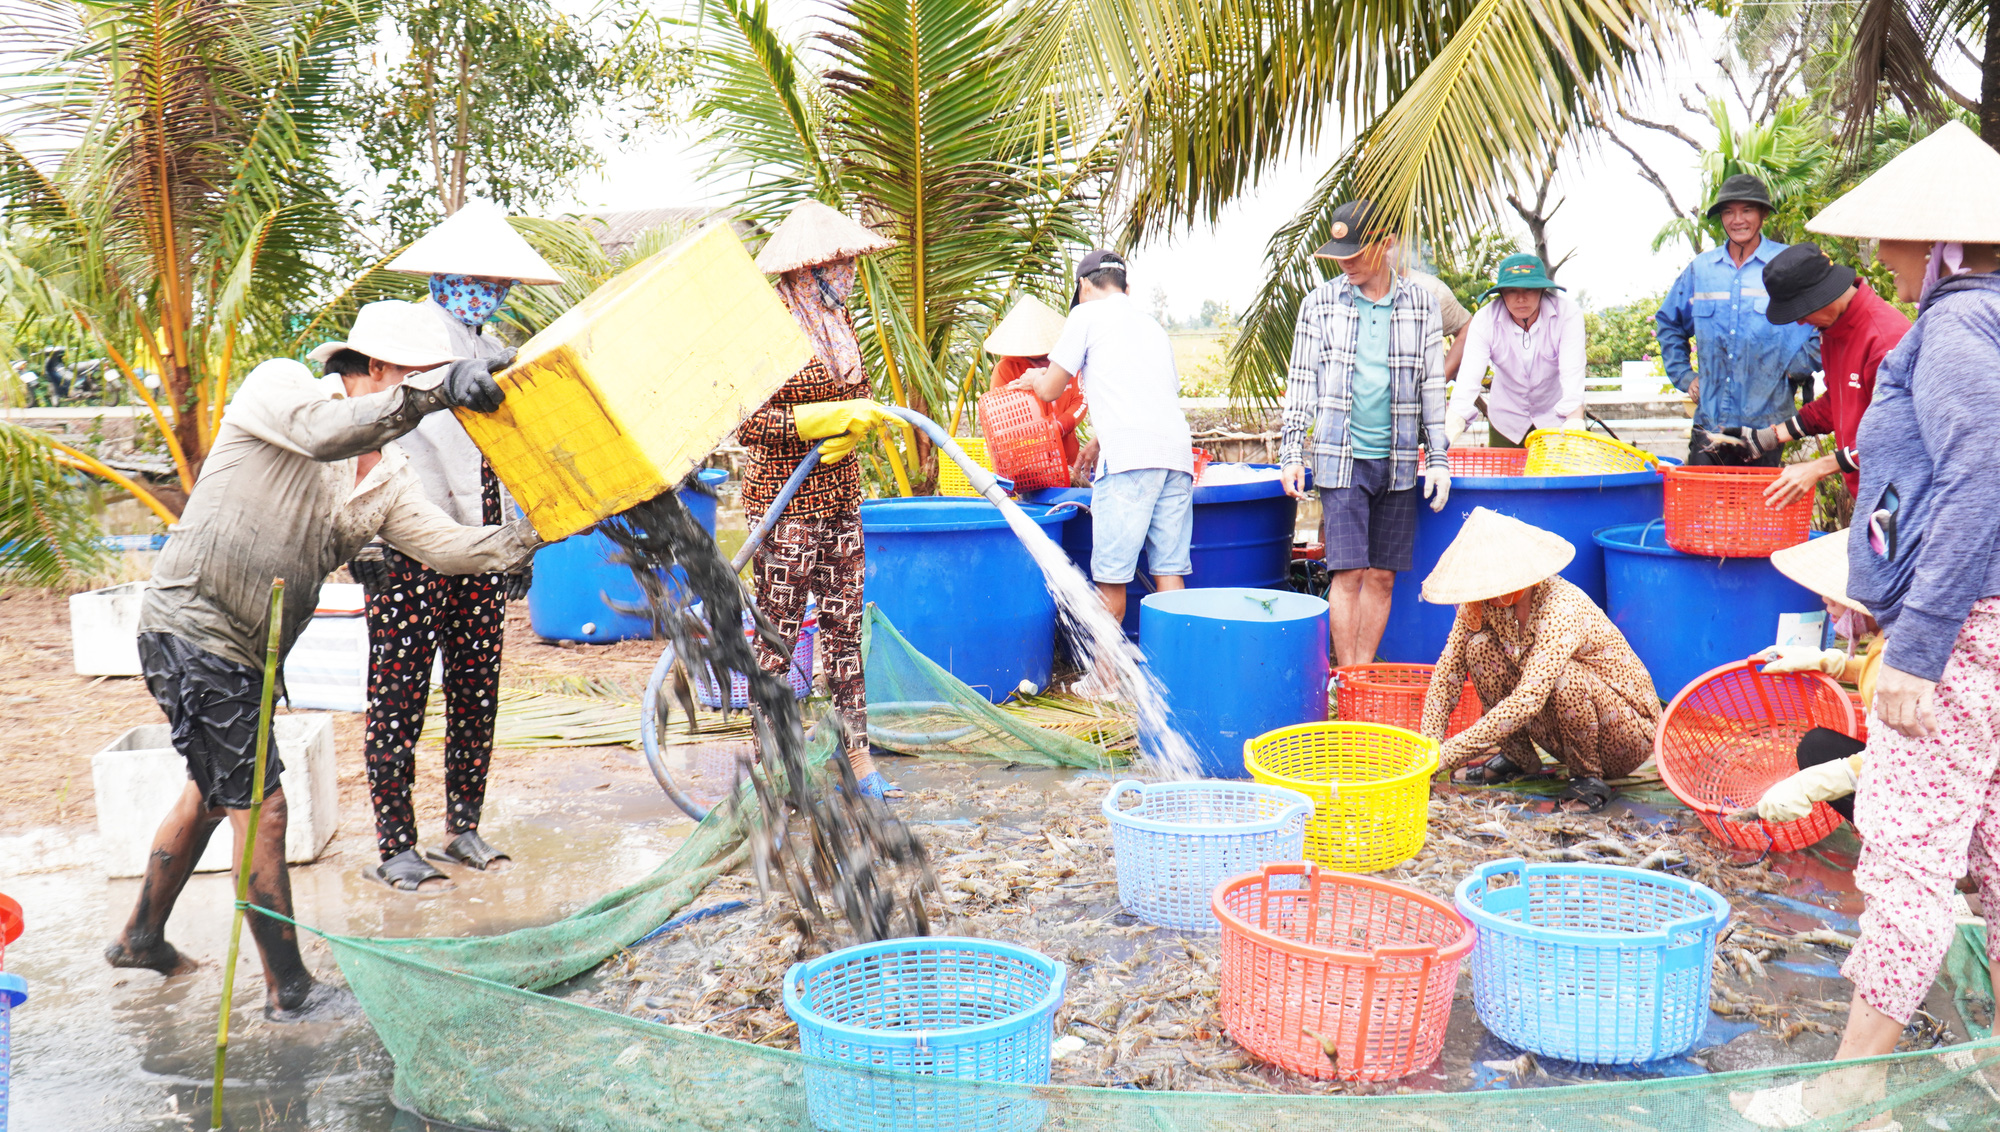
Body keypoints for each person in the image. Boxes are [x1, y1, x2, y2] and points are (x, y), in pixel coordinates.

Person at [104, 299, 533, 1014]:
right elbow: (327, 433)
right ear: (377, 368)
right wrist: (436, 388)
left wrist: (537, 533)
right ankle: (290, 990)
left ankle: (142, 936)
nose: (421, 400)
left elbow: (447, 548)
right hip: (192, 627)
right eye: (416, 381)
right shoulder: (285, 391)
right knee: (263, 810)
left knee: (213, 793)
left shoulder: (390, 475)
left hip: (252, 655)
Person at [1733, 120, 2000, 1130]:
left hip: (1961, 625)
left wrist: (1919, 645)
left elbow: (1979, 476)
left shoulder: (1954, 332)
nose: (1878, 257)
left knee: (1903, 862)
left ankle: (1846, 1100)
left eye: (1894, 238)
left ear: (1941, 243)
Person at [343, 202, 565, 891]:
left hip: (475, 540)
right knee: (400, 696)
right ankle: (396, 846)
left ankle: (463, 825)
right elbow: (358, 421)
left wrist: (515, 542)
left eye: (498, 280)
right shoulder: (398, 329)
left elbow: (503, 447)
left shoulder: (484, 340)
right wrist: (363, 539)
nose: (489, 289)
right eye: (479, 275)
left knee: (476, 688)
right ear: (445, 272)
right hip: (405, 544)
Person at [740, 201, 901, 798]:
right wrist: (811, 422)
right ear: (807, 268)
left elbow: (858, 397)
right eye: (841, 263)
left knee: (844, 630)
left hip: (840, 499)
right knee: (779, 640)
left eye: (852, 263)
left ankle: (858, 759)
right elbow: (747, 424)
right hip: (785, 508)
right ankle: (768, 768)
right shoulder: (770, 327)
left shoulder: (840, 322)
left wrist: (856, 424)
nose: (850, 274)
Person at [1279, 199, 1451, 667]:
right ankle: (1349, 679)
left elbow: (1432, 385)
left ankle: (1364, 667)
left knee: (1382, 577)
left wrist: (1438, 458)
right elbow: (1301, 384)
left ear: (1387, 244)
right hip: (1341, 456)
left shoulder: (1421, 304)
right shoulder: (1319, 304)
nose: (1347, 264)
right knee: (1349, 570)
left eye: (1356, 254)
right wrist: (1292, 451)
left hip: (1396, 461)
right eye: (1340, 256)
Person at [1418, 508, 1660, 814]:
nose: (1485, 594)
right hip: (1561, 728)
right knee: (1478, 648)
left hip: (1626, 735)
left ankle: (1588, 778)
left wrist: (1448, 754)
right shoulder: (1482, 606)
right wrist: (1428, 749)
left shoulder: (1560, 608)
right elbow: (1446, 675)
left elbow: (1528, 700)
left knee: (1564, 678)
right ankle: (1518, 758)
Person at [1013, 249, 1194, 626]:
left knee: (1111, 578)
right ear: (1125, 287)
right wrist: (1098, 440)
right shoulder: (1152, 325)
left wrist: (1033, 380)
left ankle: (1103, 681)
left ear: (1083, 286)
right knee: (1169, 572)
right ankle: (1177, 675)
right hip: (1176, 456)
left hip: (1130, 461)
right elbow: (1155, 395)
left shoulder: (1085, 314)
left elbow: (1049, 390)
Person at [1712, 243, 1910, 509]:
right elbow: (1840, 402)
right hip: (1869, 496)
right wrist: (1770, 436)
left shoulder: (1885, 340)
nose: (1801, 322)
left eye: (1802, 312)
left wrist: (1819, 467)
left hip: (1901, 499)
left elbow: (1897, 436)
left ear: (1823, 295)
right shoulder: (1833, 329)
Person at [1655, 174, 1821, 466]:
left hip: (1767, 428)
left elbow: (1823, 326)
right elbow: (1669, 324)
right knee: (1704, 511)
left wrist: (1792, 369)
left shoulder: (1787, 265)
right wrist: (1685, 376)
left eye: (1747, 210)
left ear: (1764, 214)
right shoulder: (1701, 270)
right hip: (1710, 424)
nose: (1737, 220)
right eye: (1729, 211)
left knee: (1758, 511)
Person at [1744, 529, 1881, 825]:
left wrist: (1812, 783)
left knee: (1823, 761)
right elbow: (1878, 668)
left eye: (1836, 595)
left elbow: (1906, 759)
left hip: (1930, 784)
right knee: (1817, 746)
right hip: (1909, 762)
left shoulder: (1908, 657)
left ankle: (1893, 845)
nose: (1825, 601)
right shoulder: (1888, 638)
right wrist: (1828, 662)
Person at [1444, 253, 1586, 448]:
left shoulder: (1567, 315)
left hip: (1555, 419)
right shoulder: (1485, 320)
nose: (1520, 298)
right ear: (1501, 293)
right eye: (1511, 291)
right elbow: (1469, 378)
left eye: (1529, 289)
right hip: (1506, 420)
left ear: (1542, 290)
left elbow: (1572, 370)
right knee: (1505, 476)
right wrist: (1449, 431)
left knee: (1558, 476)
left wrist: (1574, 421)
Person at [983, 296, 1085, 468]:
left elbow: (1080, 400)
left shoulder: (1067, 361)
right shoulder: (1005, 369)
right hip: (1023, 465)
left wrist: (1059, 427)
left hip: (1068, 462)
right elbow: (1000, 420)